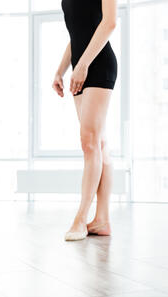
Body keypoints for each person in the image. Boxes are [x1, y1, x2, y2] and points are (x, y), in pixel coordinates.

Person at [53, 0, 118, 241]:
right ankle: (102, 219)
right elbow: (79, 33)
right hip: (80, 67)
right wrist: (61, 70)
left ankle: (81, 218)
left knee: (89, 142)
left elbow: (109, 23)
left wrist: (83, 65)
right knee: (98, 143)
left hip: (98, 65)